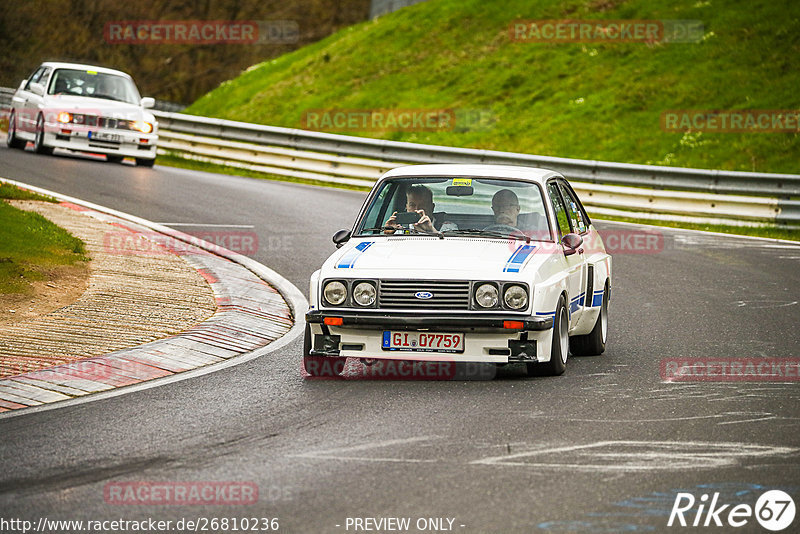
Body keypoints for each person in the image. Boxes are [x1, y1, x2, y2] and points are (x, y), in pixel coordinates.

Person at [384, 184, 456, 233]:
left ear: (432, 207)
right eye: (412, 205)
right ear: (406, 207)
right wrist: (387, 235)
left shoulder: (447, 226)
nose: (417, 209)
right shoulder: (400, 229)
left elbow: (453, 248)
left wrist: (432, 231)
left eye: (423, 205)